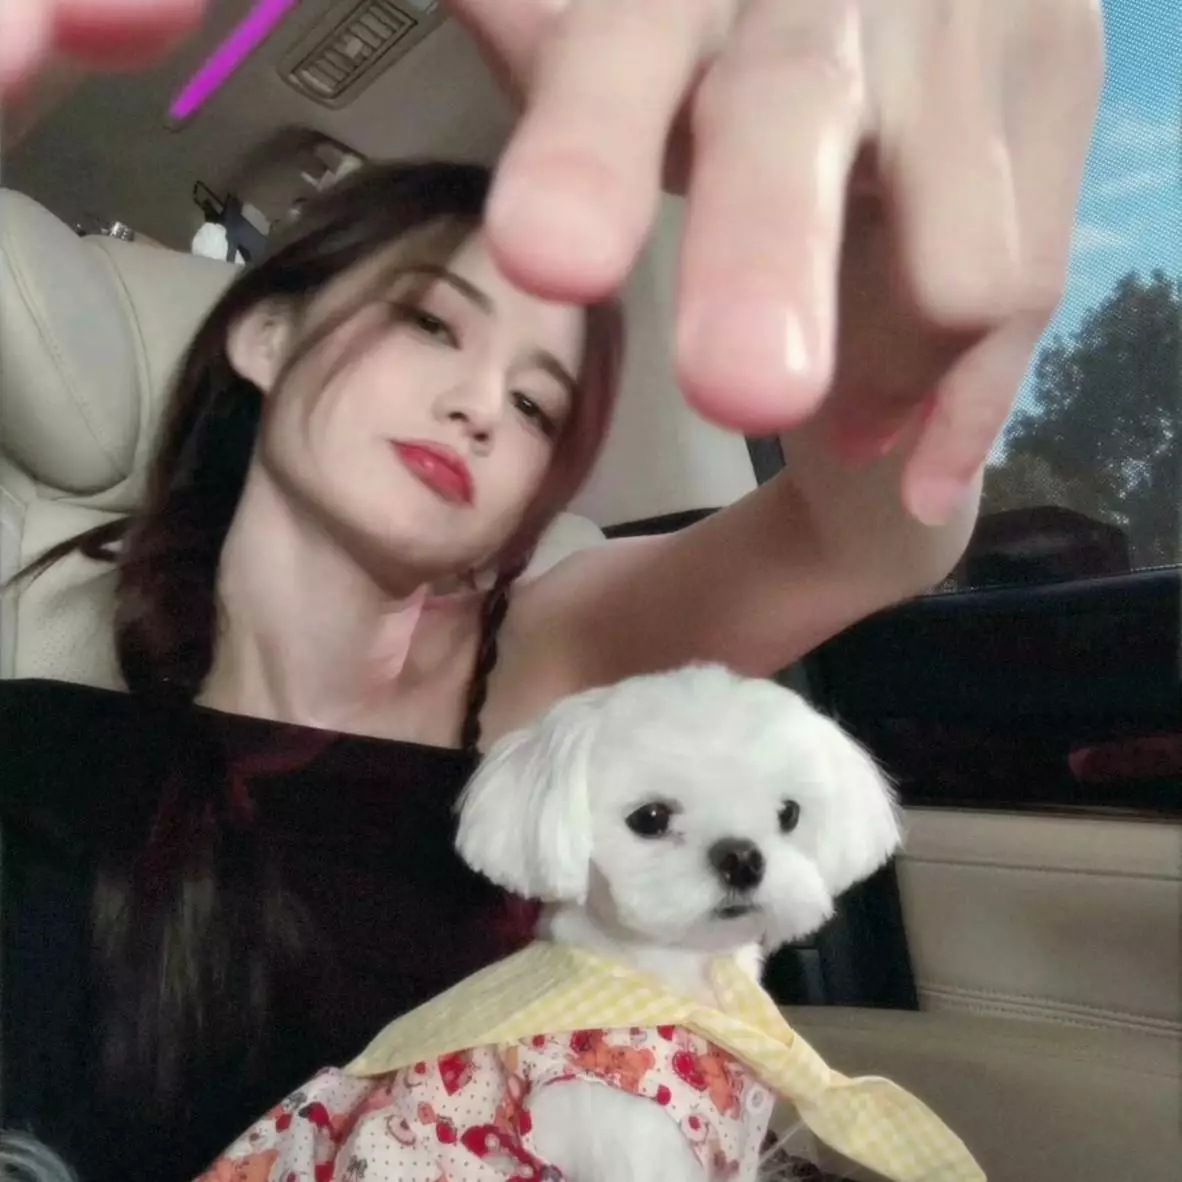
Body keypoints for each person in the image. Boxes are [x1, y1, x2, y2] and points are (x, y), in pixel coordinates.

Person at [0, 1, 1105, 1179]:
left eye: (536, 405)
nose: (483, 404)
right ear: (267, 335)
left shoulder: (552, 650)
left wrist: (874, 255)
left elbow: (868, 545)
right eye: (430, 323)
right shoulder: (45, 748)